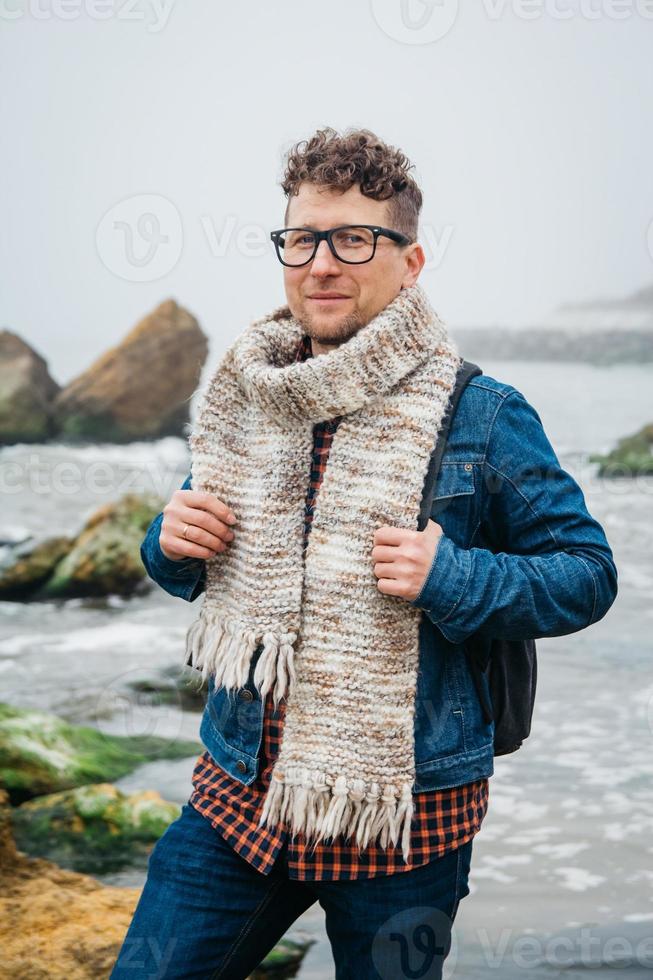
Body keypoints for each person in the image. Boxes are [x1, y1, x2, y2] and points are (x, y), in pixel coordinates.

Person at [110, 127, 618, 980]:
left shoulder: (481, 414)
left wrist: (451, 575)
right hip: (238, 802)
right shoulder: (248, 395)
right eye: (302, 238)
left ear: (409, 263)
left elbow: (586, 573)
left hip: (403, 825)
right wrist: (165, 547)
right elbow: (190, 565)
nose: (321, 263)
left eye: (354, 239)